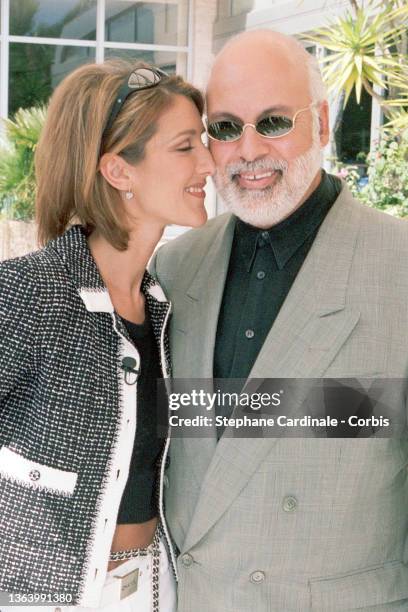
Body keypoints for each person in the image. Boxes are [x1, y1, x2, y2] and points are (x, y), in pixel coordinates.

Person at [149, 30, 408, 611]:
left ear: (319, 121)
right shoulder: (174, 266)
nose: (247, 151)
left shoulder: (400, 267)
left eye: (272, 123)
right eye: (224, 128)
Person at [0, 59, 214, 612]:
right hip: (44, 596)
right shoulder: (29, 291)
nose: (210, 163)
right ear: (119, 171)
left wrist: (368, 409)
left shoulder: (163, 306)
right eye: (185, 146)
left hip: (152, 589)